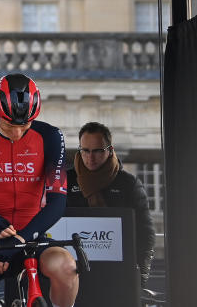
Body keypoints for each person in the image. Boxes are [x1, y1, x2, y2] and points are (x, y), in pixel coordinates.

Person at [0, 73, 78, 307]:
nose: (18, 133)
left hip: (31, 233)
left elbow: (57, 201)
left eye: (25, 126)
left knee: (66, 267)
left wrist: (19, 239)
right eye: (10, 125)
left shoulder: (50, 136)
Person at [65, 121, 155, 289]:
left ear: (110, 151)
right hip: (72, 270)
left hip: (117, 270)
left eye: (98, 151)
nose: (90, 157)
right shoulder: (65, 180)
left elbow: (145, 232)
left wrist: (140, 277)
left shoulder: (128, 183)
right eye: (85, 151)